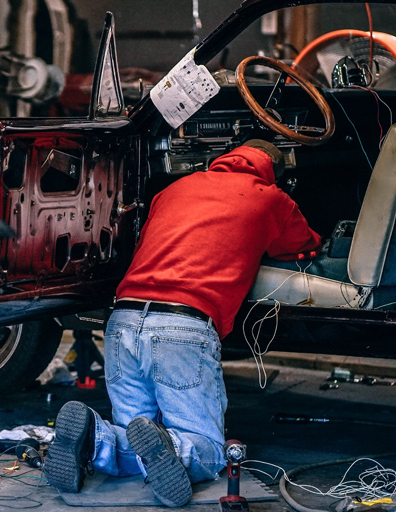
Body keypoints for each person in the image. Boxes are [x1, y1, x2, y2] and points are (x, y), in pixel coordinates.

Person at [44, 140, 321, 507]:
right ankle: (172, 443)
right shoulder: (272, 198)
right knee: (208, 450)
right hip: (182, 326)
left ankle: (93, 438)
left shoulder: (173, 188)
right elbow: (304, 246)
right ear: (273, 170)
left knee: (133, 439)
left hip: (122, 319)